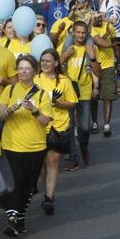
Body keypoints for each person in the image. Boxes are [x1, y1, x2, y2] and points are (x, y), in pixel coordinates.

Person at [0, 54, 53, 237]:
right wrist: (10, 110)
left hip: (35, 147)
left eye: (27, 69)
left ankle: (19, 219)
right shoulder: (10, 90)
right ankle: (12, 218)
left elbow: (45, 122)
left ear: (35, 72)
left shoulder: (43, 94)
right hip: (12, 145)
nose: (23, 72)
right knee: (15, 183)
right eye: (20, 68)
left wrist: (34, 111)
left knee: (28, 185)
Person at [35, 49, 77, 214]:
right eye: (42, 60)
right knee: (42, 165)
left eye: (48, 61)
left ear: (56, 63)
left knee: (52, 160)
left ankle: (49, 198)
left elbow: (72, 102)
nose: (44, 64)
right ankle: (47, 190)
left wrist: (58, 104)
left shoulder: (64, 81)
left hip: (58, 126)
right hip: (38, 126)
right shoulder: (35, 80)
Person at [60, 21, 100, 168]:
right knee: (69, 128)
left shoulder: (90, 48)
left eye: (83, 32)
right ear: (73, 33)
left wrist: (93, 57)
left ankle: (84, 147)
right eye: (78, 32)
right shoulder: (67, 46)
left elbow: (97, 71)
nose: (81, 35)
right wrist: (65, 55)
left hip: (84, 93)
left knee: (85, 127)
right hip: (68, 94)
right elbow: (55, 65)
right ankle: (73, 158)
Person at [90, 11, 119, 137]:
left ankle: (106, 124)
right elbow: (99, 43)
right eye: (95, 17)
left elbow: (116, 43)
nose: (99, 19)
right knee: (94, 97)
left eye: (100, 17)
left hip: (108, 65)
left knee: (108, 96)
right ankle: (95, 122)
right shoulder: (89, 30)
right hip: (94, 66)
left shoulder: (109, 27)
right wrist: (107, 36)